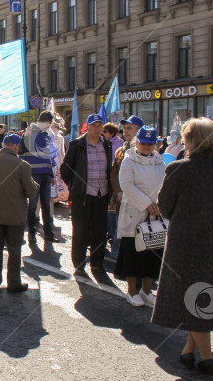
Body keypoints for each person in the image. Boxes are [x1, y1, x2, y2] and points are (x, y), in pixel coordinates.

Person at [151, 117, 213, 376]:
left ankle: (207, 358)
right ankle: (188, 351)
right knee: (204, 294)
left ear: (189, 140)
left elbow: (165, 207)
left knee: (193, 294)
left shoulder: (178, 168)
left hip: (184, 242)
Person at [0, 133, 39, 293]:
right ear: (17, 147)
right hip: (15, 215)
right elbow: (31, 191)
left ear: (3, 145)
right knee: (14, 249)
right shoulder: (22, 165)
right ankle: (14, 282)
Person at [113, 126, 166, 306]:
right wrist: (147, 203)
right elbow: (126, 185)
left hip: (155, 213)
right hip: (134, 212)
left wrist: (159, 204)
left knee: (153, 251)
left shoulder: (159, 161)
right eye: (143, 143)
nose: (147, 147)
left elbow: (165, 183)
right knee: (133, 253)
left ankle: (146, 290)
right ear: (137, 142)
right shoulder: (129, 160)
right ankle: (132, 291)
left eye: (150, 144)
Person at [60, 114, 112, 276]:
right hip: (82, 195)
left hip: (101, 194)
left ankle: (97, 264)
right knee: (81, 231)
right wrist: (76, 186)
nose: (97, 129)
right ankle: (79, 264)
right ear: (87, 127)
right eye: (94, 125)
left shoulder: (107, 145)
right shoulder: (77, 145)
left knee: (99, 231)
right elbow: (65, 170)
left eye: (99, 125)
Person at [109, 115, 144, 260]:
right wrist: (118, 193)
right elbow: (113, 173)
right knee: (120, 230)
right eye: (124, 128)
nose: (125, 131)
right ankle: (120, 258)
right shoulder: (121, 150)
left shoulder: (145, 151)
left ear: (139, 131)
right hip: (122, 200)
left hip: (139, 202)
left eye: (130, 128)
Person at [20, 111, 58, 243]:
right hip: (34, 173)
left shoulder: (46, 135)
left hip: (46, 174)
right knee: (33, 205)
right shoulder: (30, 131)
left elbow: (48, 156)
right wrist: (25, 136)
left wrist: (51, 174)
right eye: (50, 124)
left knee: (46, 205)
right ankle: (31, 232)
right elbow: (21, 150)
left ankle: (48, 233)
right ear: (48, 122)